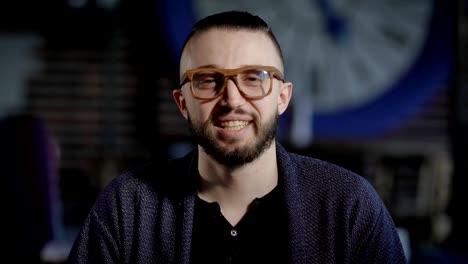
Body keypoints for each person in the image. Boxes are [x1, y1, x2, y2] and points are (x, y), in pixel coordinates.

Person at [67, 10, 407, 263]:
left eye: (254, 78)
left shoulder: (349, 206)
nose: (231, 99)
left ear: (283, 97)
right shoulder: (128, 207)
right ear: (183, 103)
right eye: (207, 80)